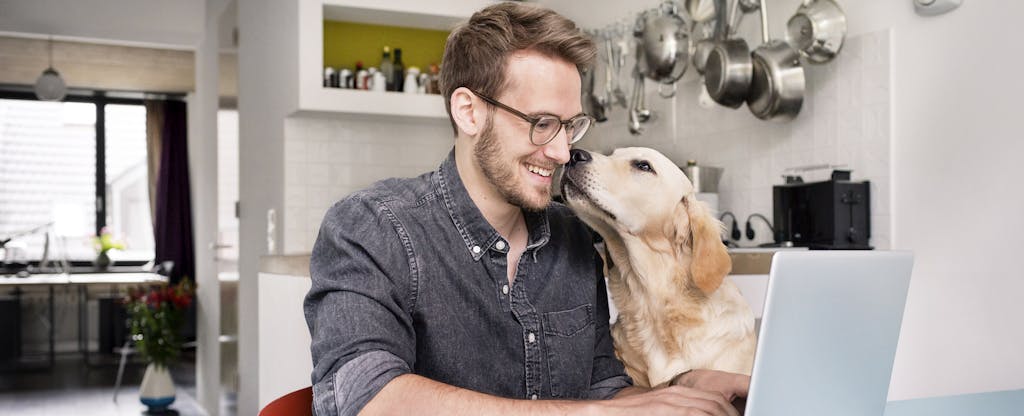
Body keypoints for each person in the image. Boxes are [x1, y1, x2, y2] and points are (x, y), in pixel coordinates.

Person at [304, 2, 749, 415]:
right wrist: (591, 414)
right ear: (469, 112)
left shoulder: (573, 237)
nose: (561, 152)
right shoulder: (371, 228)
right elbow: (366, 397)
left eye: (569, 126)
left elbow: (602, 387)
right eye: (541, 123)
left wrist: (686, 385)